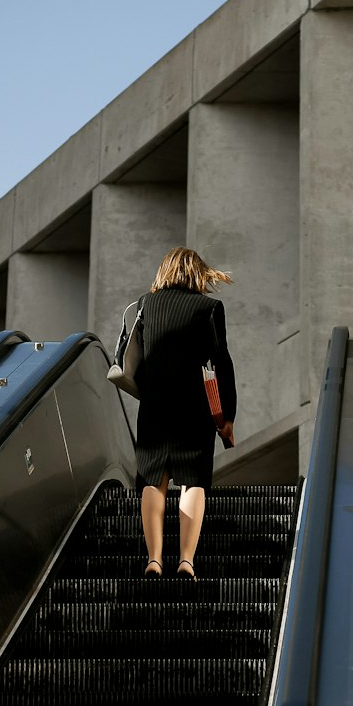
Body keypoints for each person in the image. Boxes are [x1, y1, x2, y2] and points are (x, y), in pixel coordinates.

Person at [134, 247, 237, 580]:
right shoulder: (208, 307)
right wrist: (227, 416)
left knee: (153, 479)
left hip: (154, 405)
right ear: (197, 273)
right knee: (193, 482)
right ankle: (186, 560)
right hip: (194, 406)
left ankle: (153, 558)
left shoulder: (145, 305)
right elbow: (220, 362)